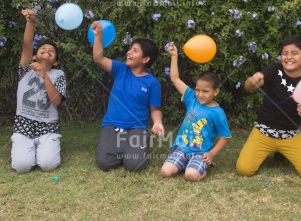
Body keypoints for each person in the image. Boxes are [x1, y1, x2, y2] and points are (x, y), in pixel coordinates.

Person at [236, 36, 301, 180]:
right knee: (244, 169)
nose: (288, 57)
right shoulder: (273, 70)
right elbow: (248, 86)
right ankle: (274, 152)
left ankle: (282, 152)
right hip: (263, 132)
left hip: (290, 135)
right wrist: (253, 81)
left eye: (294, 53)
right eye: (285, 53)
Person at [92, 21, 164, 172]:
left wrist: (157, 122)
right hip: (112, 125)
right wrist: (98, 35)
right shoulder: (120, 69)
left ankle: (132, 149)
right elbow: (98, 58)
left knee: (135, 166)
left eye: (135, 51)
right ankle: (121, 148)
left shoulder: (152, 83)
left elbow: (155, 109)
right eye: (130, 49)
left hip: (136, 128)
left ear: (145, 59)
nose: (129, 53)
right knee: (104, 163)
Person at [161, 42, 231, 182]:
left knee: (191, 176)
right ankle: (185, 164)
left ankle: (201, 169)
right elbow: (175, 78)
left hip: (200, 152)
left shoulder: (218, 112)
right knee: (165, 172)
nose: (200, 94)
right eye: (198, 90)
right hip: (182, 148)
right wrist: (174, 56)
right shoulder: (191, 97)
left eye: (205, 91)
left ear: (215, 92)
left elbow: (226, 137)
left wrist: (211, 154)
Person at [10, 9, 67, 173]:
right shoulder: (25, 69)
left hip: (48, 126)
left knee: (48, 165)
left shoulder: (59, 74)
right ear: (34, 56)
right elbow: (27, 45)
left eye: (52, 50)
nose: (47, 50)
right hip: (23, 125)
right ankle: (26, 150)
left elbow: (56, 102)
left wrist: (45, 76)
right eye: (43, 48)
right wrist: (31, 21)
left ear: (55, 62)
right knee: (22, 167)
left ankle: (42, 149)